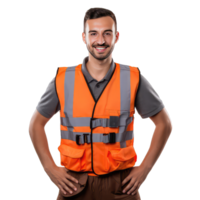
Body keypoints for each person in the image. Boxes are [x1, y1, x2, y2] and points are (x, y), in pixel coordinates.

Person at [28, 7, 174, 200]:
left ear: (117, 37)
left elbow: (165, 123)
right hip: (72, 184)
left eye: (107, 33)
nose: (100, 40)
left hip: (122, 185)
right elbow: (35, 124)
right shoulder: (62, 80)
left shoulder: (133, 79)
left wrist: (145, 169)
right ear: (83, 37)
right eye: (93, 33)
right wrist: (50, 168)